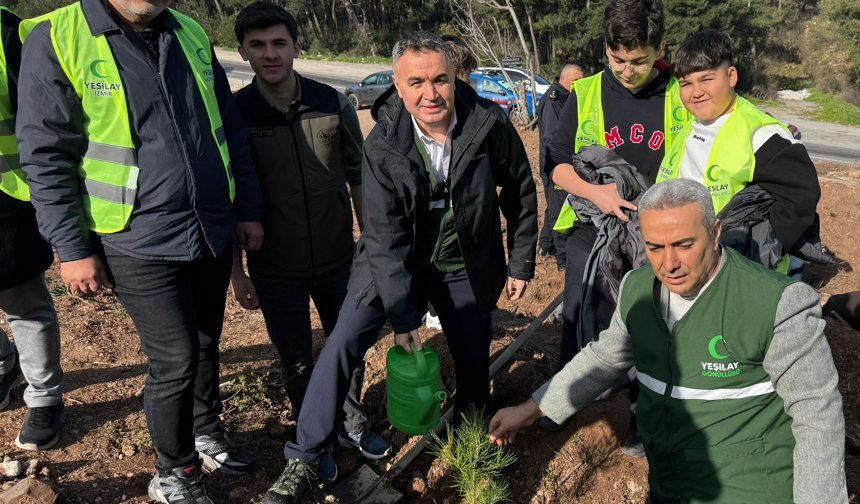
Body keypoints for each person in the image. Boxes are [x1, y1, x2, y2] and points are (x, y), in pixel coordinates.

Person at [261, 31, 537, 503]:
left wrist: (520, 261)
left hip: (462, 262)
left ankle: (469, 443)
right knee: (342, 344)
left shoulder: (488, 123)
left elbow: (521, 190)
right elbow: (383, 236)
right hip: (391, 265)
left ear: (454, 78)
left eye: (440, 80)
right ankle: (304, 456)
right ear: (398, 84)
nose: (431, 94)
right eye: (417, 82)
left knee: (473, 359)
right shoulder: (384, 140)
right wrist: (403, 315)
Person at [17, 1, 263, 502]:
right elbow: (45, 153)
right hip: (136, 235)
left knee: (204, 340)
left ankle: (204, 429)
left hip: (209, 224)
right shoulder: (59, 36)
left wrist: (246, 208)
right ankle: (175, 472)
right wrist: (71, 246)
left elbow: (228, 127)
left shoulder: (188, 30)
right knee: (174, 358)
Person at [489, 178, 847, 504]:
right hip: (667, 485)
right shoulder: (637, 289)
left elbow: (817, 414)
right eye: (655, 247)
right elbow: (604, 359)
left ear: (716, 232)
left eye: (684, 244)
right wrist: (531, 409)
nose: (669, 263)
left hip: (747, 489)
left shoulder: (776, 302)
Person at [229, 1, 390, 481]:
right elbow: (233, 197)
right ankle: (312, 435)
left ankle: (351, 422)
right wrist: (237, 272)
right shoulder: (238, 111)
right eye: (257, 46)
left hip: (341, 256)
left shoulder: (330, 100)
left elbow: (358, 174)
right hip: (274, 263)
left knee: (350, 344)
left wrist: (371, 244)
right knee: (295, 355)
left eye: (279, 43)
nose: (270, 54)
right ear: (243, 51)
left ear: (297, 46)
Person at [544, 0, 690, 448]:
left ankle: (638, 413)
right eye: (617, 59)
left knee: (650, 322)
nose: (626, 71)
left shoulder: (678, 93)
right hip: (594, 228)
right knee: (577, 315)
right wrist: (598, 194)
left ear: (660, 47)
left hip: (655, 235)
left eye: (638, 61)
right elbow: (556, 165)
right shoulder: (586, 91)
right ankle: (560, 402)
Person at [657, 29, 819, 270]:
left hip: (737, 270)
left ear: (731, 76)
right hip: (687, 264)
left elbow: (802, 194)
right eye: (686, 84)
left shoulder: (760, 133)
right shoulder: (690, 126)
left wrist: (755, 251)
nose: (696, 92)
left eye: (707, 79)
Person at [0, 5, 64, 453]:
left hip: (7, 194)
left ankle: (44, 397)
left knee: (24, 302)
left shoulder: (10, 32)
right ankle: (6, 362)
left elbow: (41, 118)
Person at [536, 63, 584, 271]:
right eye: (577, 81)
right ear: (565, 80)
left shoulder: (567, 96)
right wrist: (562, 167)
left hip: (562, 162)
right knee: (559, 209)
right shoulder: (554, 100)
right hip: (556, 163)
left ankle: (545, 246)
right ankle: (563, 259)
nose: (580, 85)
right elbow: (552, 138)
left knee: (553, 205)